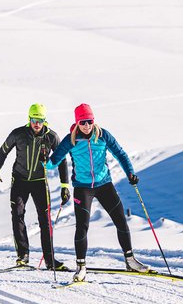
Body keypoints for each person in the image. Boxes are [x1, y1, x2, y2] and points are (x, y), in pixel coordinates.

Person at [46, 102, 149, 282]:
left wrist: (130, 173)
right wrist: (43, 159)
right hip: (82, 188)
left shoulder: (102, 135)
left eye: (89, 121)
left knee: (120, 221)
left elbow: (121, 154)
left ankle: (130, 260)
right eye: (83, 122)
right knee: (82, 226)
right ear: (77, 122)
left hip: (104, 184)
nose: (87, 125)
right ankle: (81, 266)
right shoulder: (71, 140)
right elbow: (53, 162)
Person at [0, 103, 71, 269]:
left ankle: (50, 260)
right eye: (34, 119)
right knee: (17, 214)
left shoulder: (51, 137)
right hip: (20, 180)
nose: (37, 123)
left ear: (44, 120)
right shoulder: (18, 134)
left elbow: (62, 160)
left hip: (40, 182)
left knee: (45, 220)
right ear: (29, 119)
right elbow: (3, 151)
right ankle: (23, 256)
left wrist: (64, 185)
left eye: (40, 120)